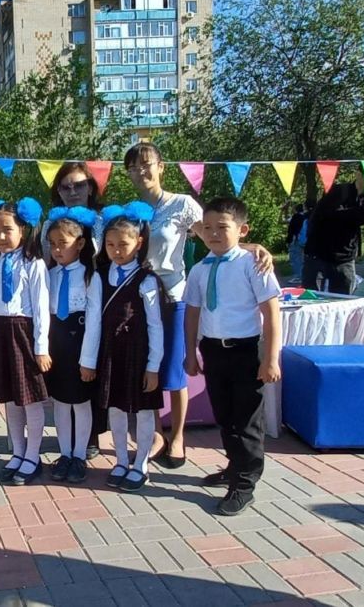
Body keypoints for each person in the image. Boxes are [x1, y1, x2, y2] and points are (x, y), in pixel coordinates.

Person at [124, 142, 272, 470]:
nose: (141, 171)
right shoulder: (130, 210)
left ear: (161, 167)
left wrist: (252, 246)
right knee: (146, 367)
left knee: (174, 370)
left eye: (146, 164)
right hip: (140, 301)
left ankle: (178, 437)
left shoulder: (182, 204)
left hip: (174, 297)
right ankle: (155, 435)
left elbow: (215, 237)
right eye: (133, 167)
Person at [184, 197, 282, 516]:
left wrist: (270, 358)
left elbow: (271, 313)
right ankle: (234, 465)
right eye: (207, 227)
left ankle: (244, 484)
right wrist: (191, 353)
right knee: (225, 415)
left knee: (247, 420)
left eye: (222, 227)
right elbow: (192, 313)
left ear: (242, 230)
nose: (213, 233)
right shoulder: (199, 269)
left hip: (246, 351)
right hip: (214, 350)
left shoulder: (253, 264)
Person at [0, 198, 51, 486]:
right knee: (10, 398)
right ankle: (18, 452)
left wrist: (41, 348)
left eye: (7, 229)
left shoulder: (34, 265)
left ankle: (33, 455)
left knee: (29, 398)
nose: (0, 236)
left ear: (23, 229)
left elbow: (42, 309)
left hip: (23, 333)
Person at [96, 202, 165, 493]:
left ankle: (141, 464)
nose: (116, 250)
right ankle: (122, 460)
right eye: (110, 244)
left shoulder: (146, 280)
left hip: (139, 354)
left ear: (139, 242)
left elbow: (156, 326)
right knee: (116, 408)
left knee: (144, 411)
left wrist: (153, 366)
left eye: (123, 244)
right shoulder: (102, 276)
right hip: (113, 354)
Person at [42, 207, 101, 485]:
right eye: (52, 244)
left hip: (80, 344)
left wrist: (88, 360)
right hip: (57, 345)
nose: (56, 250)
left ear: (79, 244)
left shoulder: (91, 276)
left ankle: (79, 455)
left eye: (62, 243)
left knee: (81, 402)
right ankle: (64, 453)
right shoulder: (50, 274)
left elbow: (94, 321)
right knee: (61, 402)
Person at [303, 166, 364, 294]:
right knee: (311, 300)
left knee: (345, 301)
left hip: (344, 260)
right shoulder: (338, 192)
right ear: (358, 174)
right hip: (318, 256)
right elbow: (343, 218)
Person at [285, 203, 308, 284]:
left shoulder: (296, 217)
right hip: (305, 240)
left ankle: (298, 276)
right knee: (302, 259)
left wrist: (288, 240)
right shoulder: (306, 216)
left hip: (296, 240)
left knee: (295, 258)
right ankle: (303, 275)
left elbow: (291, 229)